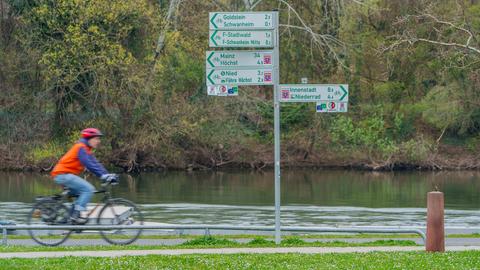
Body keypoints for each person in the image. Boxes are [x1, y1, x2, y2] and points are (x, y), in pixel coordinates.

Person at [50, 128, 118, 223]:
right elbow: (89, 164)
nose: (98, 141)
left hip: (65, 175)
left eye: (99, 139)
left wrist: (107, 175)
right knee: (88, 189)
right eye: (96, 139)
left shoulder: (86, 149)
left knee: (81, 194)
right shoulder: (81, 148)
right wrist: (103, 176)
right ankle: (76, 216)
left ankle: (68, 218)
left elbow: (96, 164)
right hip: (62, 174)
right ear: (89, 139)